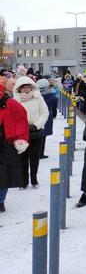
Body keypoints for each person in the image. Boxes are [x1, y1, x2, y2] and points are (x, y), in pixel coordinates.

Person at [0, 75, 30, 212]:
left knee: (4, 174)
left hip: (6, 143)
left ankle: (0, 201)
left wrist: (20, 137)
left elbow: (21, 118)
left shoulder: (10, 103)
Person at [13, 77, 49, 188]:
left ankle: (34, 179)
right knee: (22, 158)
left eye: (28, 86)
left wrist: (36, 125)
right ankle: (23, 181)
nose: (26, 89)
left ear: (32, 87)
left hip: (36, 132)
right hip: (21, 133)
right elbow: (12, 117)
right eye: (23, 87)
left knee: (34, 158)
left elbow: (44, 113)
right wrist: (21, 127)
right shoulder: (15, 101)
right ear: (19, 89)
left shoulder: (39, 98)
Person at [36, 78, 58, 159]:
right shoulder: (51, 96)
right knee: (43, 136)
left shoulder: (36, 97)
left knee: (39, 136)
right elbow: (55, 104)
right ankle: (40, 153)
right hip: (47, 116)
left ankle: (39, 153)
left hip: (37, 117)